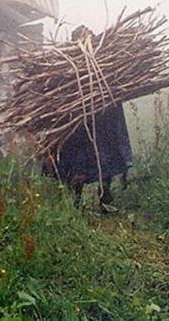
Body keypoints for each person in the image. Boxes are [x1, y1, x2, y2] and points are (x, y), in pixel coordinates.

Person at [52, 25, 133, 208]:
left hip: (103, 120)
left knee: (106, 156)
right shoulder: (67, 67)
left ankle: (105, 196)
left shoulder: (105, 64)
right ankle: (77, 200)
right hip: (78, 124)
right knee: (78, 162)